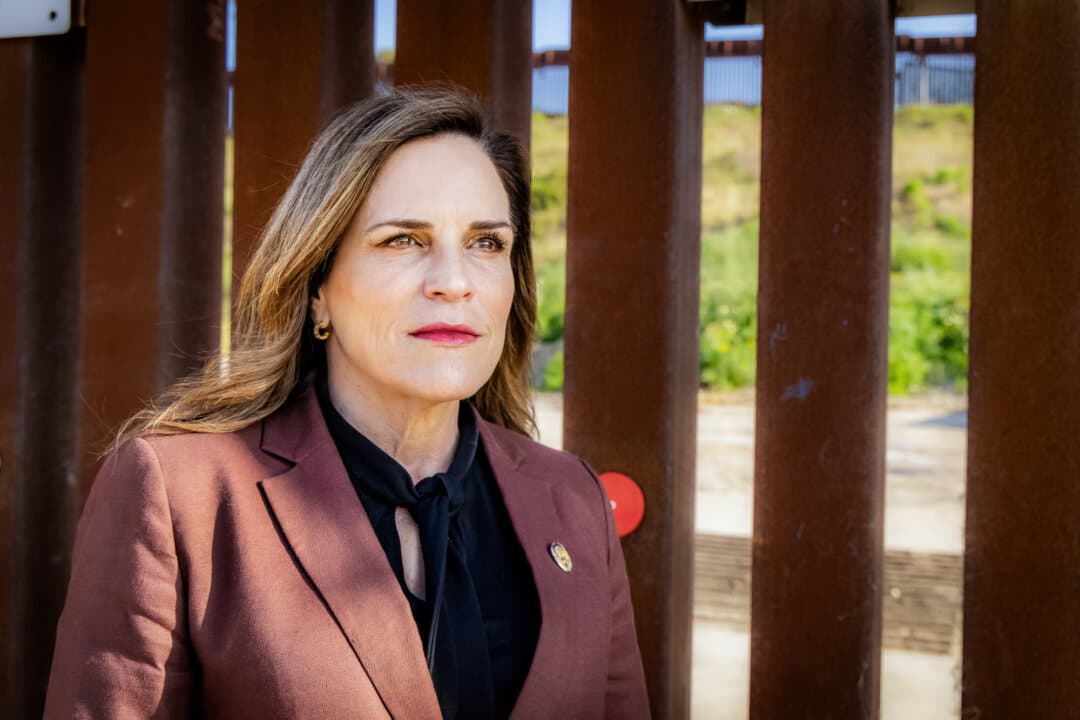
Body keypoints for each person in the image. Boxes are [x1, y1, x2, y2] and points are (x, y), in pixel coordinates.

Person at [43, 87, 649, 719]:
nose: (454, 281)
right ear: (318, 289)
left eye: (486, 243)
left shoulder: (571, 496)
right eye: (403, 240)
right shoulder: (177, 497)